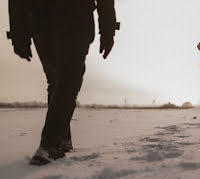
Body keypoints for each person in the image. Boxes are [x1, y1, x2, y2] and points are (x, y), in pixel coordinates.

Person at [7, 0, 119, 165]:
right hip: (47, 21)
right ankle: (51, 145)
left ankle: (58, 142)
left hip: (66, 19)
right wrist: (18, 35)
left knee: (63, 81)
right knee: (64, 81)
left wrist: (108, 30)